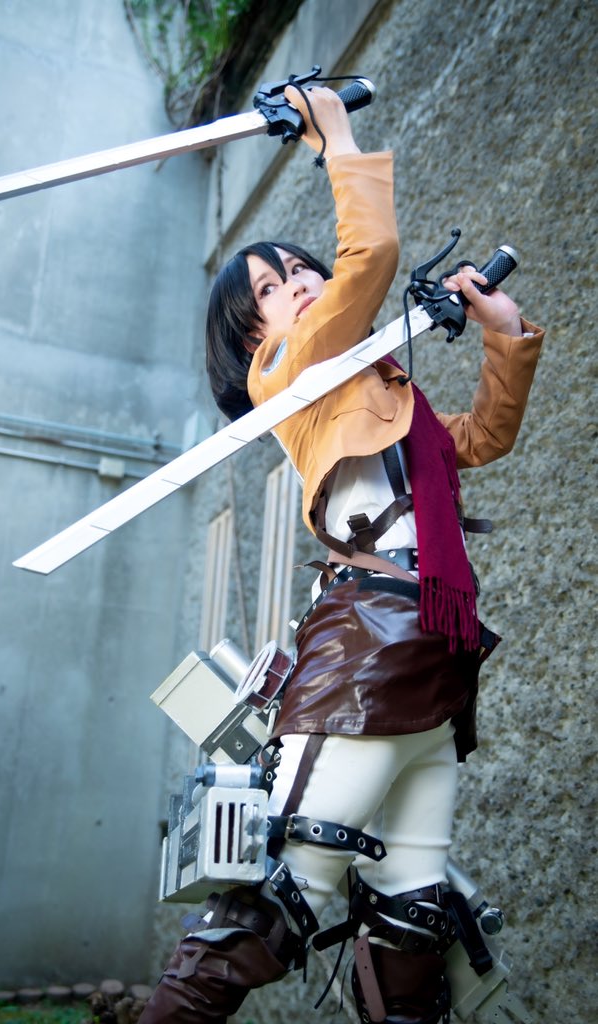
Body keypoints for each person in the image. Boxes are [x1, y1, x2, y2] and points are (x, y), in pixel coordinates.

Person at [140, 86, 544, 1024]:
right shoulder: (288, 372)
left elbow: (481, 438)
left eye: (297, 270)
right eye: (267, 292)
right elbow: (375, 255)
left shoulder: (380, 388)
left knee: (412, 916)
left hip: (435, 658)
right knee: (283, 886)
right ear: (251, 341)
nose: (294, 286)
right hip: (369, 649)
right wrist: (336, 137)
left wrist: (506, 335)